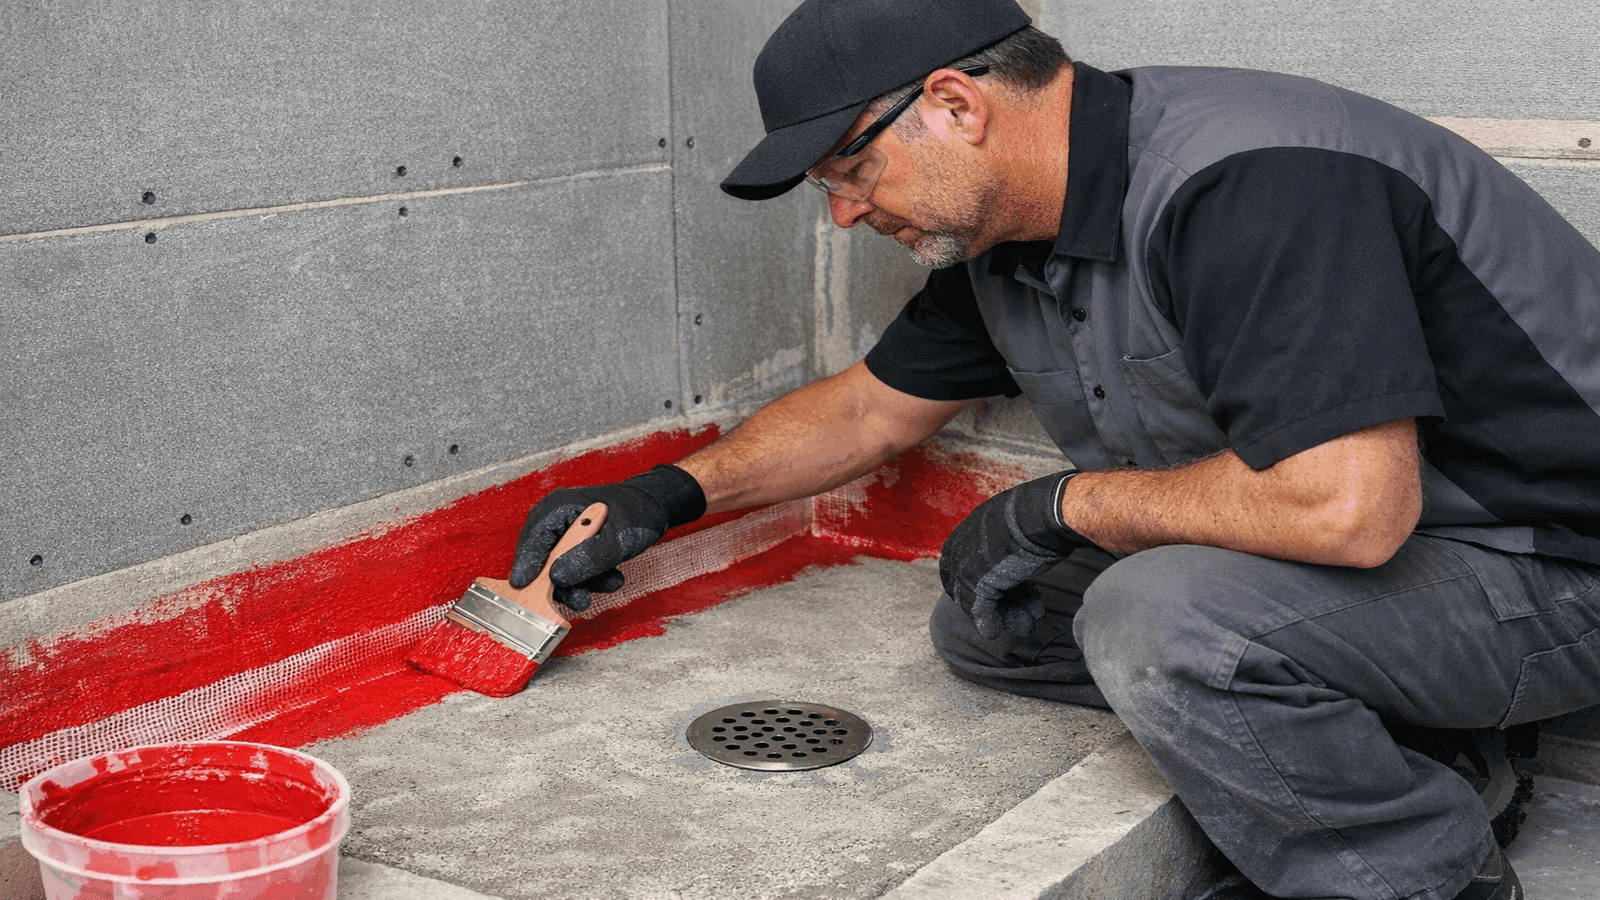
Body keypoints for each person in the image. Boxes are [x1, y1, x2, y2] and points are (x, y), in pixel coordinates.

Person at [509, 1, 1600, 897]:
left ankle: (1419, 875)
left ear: (953, 105)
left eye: (846, 173)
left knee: (1158, 620)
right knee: (997, 619)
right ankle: (1428, 756)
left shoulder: (1249, 183)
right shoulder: (1011, 233)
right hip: (1408, 567)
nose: (842, 217)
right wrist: (666, 492)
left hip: (1548, 571)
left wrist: (1066, 506)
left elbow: (1346, 510)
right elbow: (866, 413)